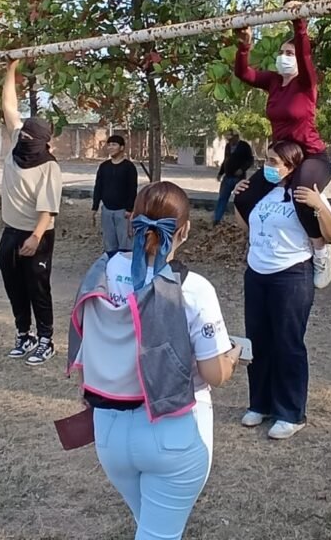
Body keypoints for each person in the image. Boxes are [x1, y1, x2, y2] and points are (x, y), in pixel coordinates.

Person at [68, 182, 242, 540]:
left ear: (132, 220)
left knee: (149, 525)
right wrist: (232, 359)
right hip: (172, 432)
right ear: (185, 230)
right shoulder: (193, 288)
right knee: (158, 533)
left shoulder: (99, 270)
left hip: (109, 429)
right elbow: (215, 372)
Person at [233, 140, 331, 440]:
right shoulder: (263, 192)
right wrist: (238, 200)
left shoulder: (305, 193)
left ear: (292, 166)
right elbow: (248, 228)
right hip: (257, 273)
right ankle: (261, 404)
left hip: (291, 275)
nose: (268, 167)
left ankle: (291, 412)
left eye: (274, 162)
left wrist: (319, 206)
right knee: (258, 341)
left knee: (287, 343)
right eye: (266, 161)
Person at [233, 8, 331, 288]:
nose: (284, 57)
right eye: (282, 52)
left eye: (289, 53)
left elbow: (304, 54)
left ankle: (320, 251)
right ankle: (264, 241)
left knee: (301, 195)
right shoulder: (274, 82)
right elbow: (243, 72)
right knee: (243, 198)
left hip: (311, 157)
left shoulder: (306, 82)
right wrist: (244, 45)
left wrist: (298, 20)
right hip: (281, 158)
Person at [0, 60, 65, 366]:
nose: (23, 139)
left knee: (38, 287)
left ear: (43, 142)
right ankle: (23, 334)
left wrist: (36, 237)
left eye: (29, 137)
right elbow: (9, 107)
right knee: (14, 285)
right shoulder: (16, 141)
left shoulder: (49, 166)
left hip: (38, 234)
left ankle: (46, 339)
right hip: (11, 231)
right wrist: (11, 69)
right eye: (22, 134)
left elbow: (48, 209)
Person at [91, 135, 139, 257]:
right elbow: (98, 187)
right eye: (109, 144)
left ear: (121, 148)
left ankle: (124, 268)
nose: (111, 147)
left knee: (125, 243)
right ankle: (111, 267)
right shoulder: (104, 166)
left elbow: (132, 188)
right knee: (109, 243)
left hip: (123, 212)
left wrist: (129, 209)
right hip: (107, 210)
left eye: (114, 145)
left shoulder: (129, 167)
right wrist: (95, 207)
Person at [214, 130, 254, 225]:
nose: (230, 141)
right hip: (228, 177)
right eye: (229, 139)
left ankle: (242, 221)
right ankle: (217, 219)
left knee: (240, 199)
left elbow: (250, 160)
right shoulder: (228, 146)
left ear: (236, 137)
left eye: (232, 139)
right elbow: (226, 160)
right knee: (222, 198)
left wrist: (242, 169)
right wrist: (220, 173)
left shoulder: (244, 146)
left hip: (239, 178)